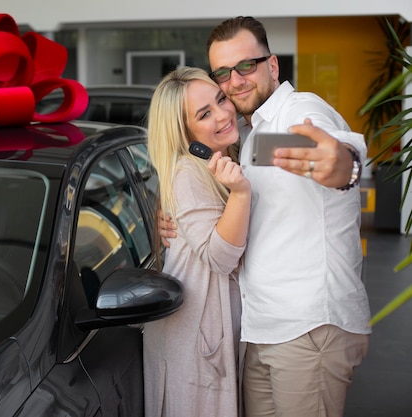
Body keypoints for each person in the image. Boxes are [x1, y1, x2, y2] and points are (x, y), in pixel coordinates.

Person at [158, 16, 371, 417]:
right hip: (260, 329)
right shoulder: (254, 135)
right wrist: (170, 218)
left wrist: (345, 166)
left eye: (246, 66)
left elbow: (335, 152)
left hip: (309, 327)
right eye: (222, 72)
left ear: (272, 66)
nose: (234, 81)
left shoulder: (299, 110)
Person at [144, 66, 250, 417]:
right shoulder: (188, 173)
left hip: (206, 335)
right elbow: (221, 258)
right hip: (194, 341)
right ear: (184, 131)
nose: (222, 114)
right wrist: (240, 194)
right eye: (204, 114)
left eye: (221, 100)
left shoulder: (222, 158)